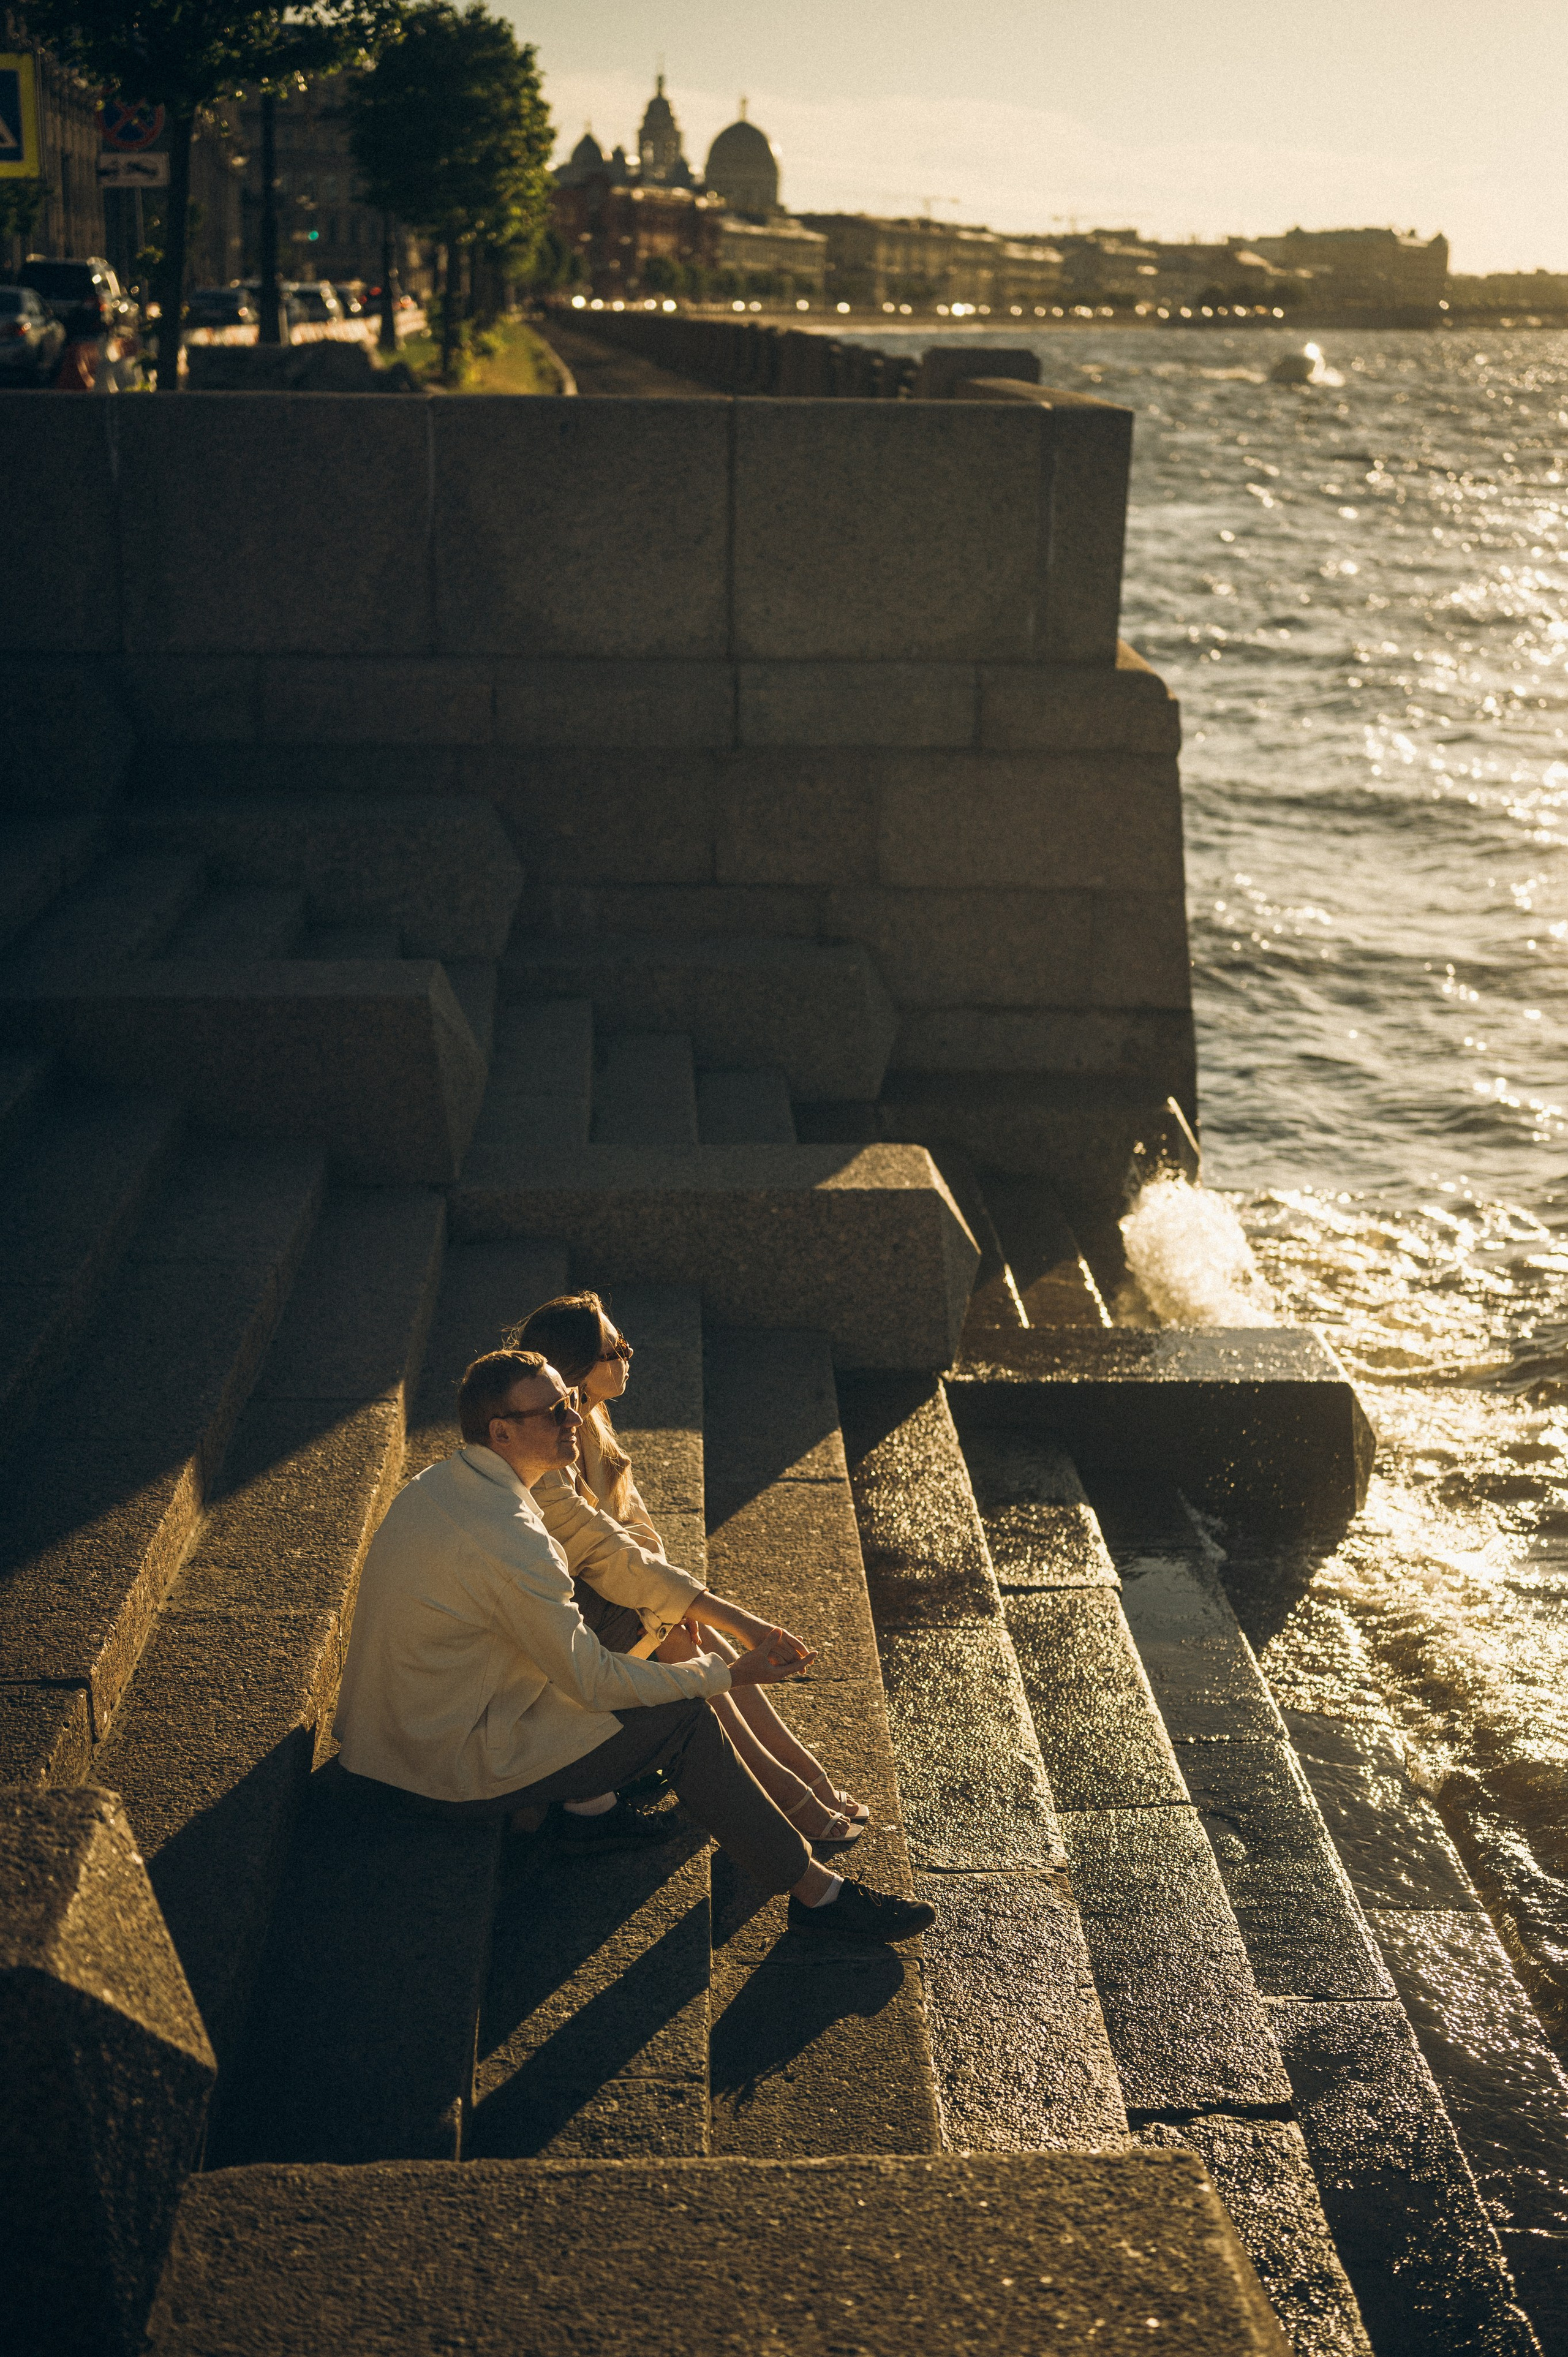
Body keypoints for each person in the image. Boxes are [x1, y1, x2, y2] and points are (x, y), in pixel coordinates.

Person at [333, 1347, 934, 1945]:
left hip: (400, 1733)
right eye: (554, 1413)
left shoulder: (448, 1481)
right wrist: (722, 1673)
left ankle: (594, 1805)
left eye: (569, 1402)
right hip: (438, 1768)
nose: (573, 1417)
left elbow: (610, 1557)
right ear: (502, 1431)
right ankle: (817, 1894)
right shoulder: (511, 1537)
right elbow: (592, 1682)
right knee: (682, 1721)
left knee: (624, 1623)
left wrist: (739, 1626)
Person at [511, 1291, 870, 1847]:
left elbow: (634, 1528)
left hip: (605, 1588)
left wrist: (669, 1597)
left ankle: (801, 1776)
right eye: (617, 1348)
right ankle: (787, 1793)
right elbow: (598, 1549)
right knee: (683, 1636)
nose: (630, 1355)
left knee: (688, 1631)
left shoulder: (589, 1420)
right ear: (579, 1365)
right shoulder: (548, 1444)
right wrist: (698, 1610)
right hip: (556, 1616)